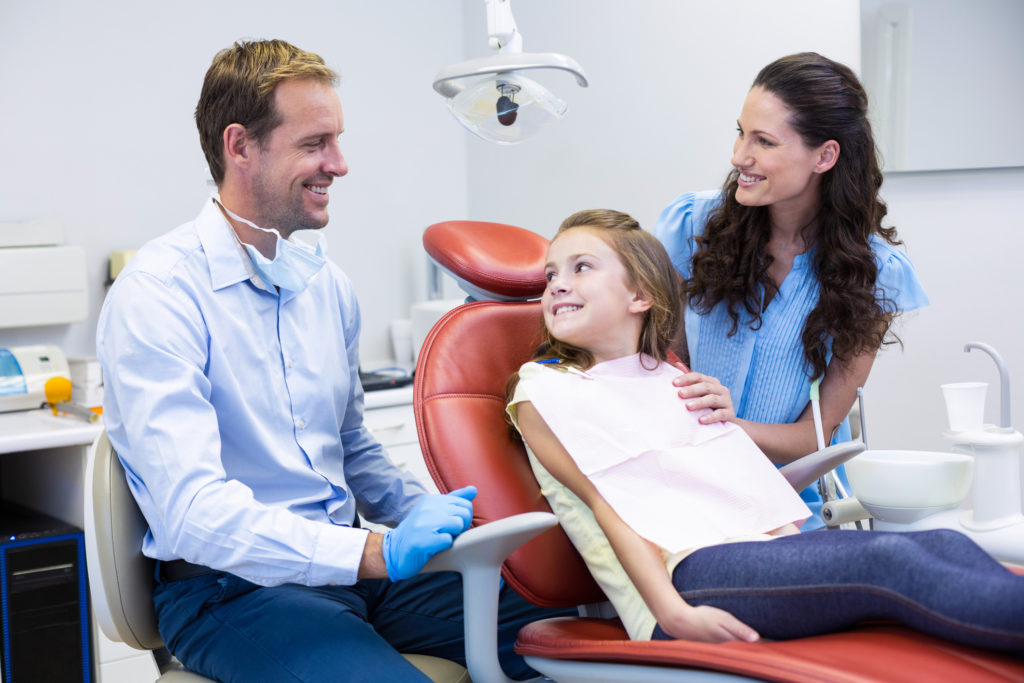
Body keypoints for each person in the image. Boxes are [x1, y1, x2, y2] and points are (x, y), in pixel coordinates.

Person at [97, 39, 568, 683]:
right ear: (240, 147)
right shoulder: (160, 294)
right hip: (232, 590)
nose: (339, 165)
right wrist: (375, 551)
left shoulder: (324, 285)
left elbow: (351, 449)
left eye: (338, 141)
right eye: (315, 143)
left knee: (577, 631)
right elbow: (195, 516)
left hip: (354, 568)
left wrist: (449, 520)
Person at [506, 208, 1024, 649]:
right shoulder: (546, 390)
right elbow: (609, 503)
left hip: (754, 548)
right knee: (892, 561)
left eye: (581, 267)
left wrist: (731, 440)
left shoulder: (671, 378)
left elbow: (734, 490)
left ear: (640, 295)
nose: (557, 285)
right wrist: (671, 613)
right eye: (551, 274)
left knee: (936, 544)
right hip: (688, 575)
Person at [652, 52, 929, 529]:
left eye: (764, 141)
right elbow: (662, 364)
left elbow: (815, 436)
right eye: (741, 132)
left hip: (794, 509)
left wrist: (726, 426)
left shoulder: (875, 273)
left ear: (824, 156)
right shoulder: (693, 224)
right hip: (687, 492)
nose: (740, 156)